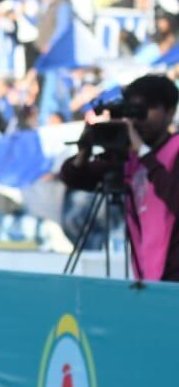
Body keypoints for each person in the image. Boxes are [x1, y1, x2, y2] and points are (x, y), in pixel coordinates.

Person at [60, 74, 179, 281]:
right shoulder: (129, 157)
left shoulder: (173, 149)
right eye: (132, 111)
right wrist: (84, 150)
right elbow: (75, 178)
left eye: (145, 110)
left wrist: (144, 154)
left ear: (169, 112)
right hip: (146, 275)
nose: (137, 120)